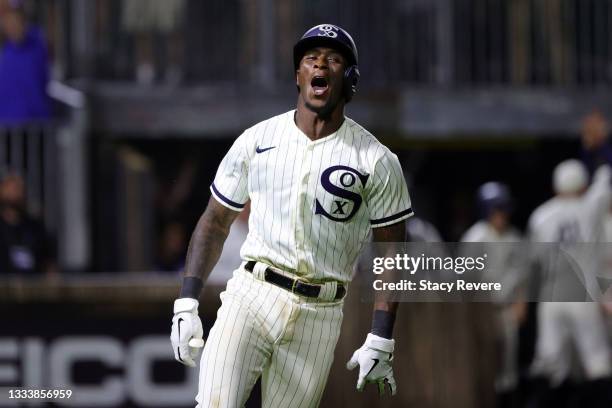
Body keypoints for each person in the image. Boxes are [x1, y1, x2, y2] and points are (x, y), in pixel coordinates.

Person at [170, 24, 413, 407]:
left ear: (350, 79)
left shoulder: (377, 160)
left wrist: (382, 335)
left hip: (320, 313)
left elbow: (392, 255)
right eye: (310, 59)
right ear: (298, 75)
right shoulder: (257, 139)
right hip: (252, 296)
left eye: (333, 59)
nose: (320, 64)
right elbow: (215, 221)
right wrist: (187, 300)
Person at [528, 159, 612, 407]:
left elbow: (535, 262)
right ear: (582, 185)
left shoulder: (540, 215)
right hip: (582, 296)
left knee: (550, 366)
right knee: (597, 362)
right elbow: (605, 179)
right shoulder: (590, 206)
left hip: (550, 298)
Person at [461, 182, 526, 408]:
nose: (502, 214)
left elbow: (521, 276)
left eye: (504, 208)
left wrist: (521, 304)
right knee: (483, 367)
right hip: (482, 312)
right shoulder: (474, 238)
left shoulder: (515, 237)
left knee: (508, 371)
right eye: (497, 208)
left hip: (506, 310)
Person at [0, 0, 50, 124]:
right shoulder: (5, 50)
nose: (13, 24)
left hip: (37, 126)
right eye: (9, 19)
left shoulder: (37, 43)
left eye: (17, 18)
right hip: (7, 128)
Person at [0, 171, 55, 275]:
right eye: (10, 187)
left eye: (18, 188)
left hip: (31, 287)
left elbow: (48, 262)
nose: (15, 192)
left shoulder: (35, 227)